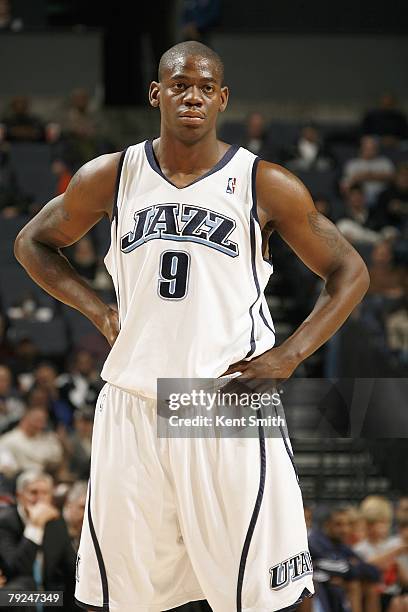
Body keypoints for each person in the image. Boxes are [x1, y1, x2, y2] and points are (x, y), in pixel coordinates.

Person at [15, 41, 370, 612]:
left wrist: (290, 355)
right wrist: (99, 310)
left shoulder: (263, 182)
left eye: (206, 87)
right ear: (157, 93)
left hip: (221, 402)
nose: (193, 97)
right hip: (134, 403)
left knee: (271, 593)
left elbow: (349, 270)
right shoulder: (112, 175)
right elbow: (32, 242)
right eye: (180, 85)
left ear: (223, 99)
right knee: (127, 598)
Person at [0, 470, 78, 612]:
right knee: (23, 590)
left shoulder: (56, 523)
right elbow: (18, 568)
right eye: (33, 492)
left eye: (45, 493)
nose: (39, 499)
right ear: (19, 496)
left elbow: (71, 567)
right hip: (10, 596)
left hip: (49, 597)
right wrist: (35, 527)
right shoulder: (5, 522)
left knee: (78, 595)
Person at [0, 405, 63, 477]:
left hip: (47, 477)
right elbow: (6, 469)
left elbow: (57, 460)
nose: (40, 425)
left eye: (43, 421)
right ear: (24, 420)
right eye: (37, 420)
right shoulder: (7, 440)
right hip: (20, 480)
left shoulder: (49, 439)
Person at [341, 135, 395, 206]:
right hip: (360, 199)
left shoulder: (385, 162)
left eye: (372, 148)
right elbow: (346, 184)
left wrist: (365, 176)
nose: (370, 151)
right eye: (367, 148)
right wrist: (377, 176)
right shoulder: (352, 164)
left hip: (383, 199)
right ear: (361, 148)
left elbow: (394, 178)